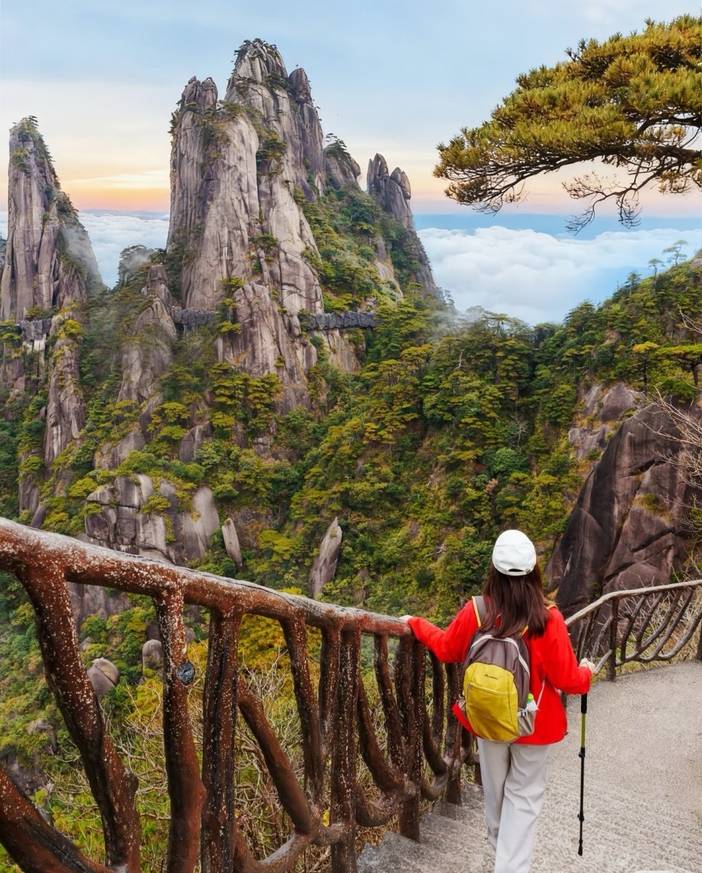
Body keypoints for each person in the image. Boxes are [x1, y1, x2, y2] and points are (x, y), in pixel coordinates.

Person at [402, 529, 594, 873]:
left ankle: (501, 857)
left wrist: (416, 624)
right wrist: (587, 672)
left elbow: (446, 648)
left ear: (494, 570)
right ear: (534, 571)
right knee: (523, 796)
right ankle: (509, 865)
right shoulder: (547, 619)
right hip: (533, 724)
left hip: (488, 719)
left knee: (495, 793)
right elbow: (569, 680)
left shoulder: (478, 611)